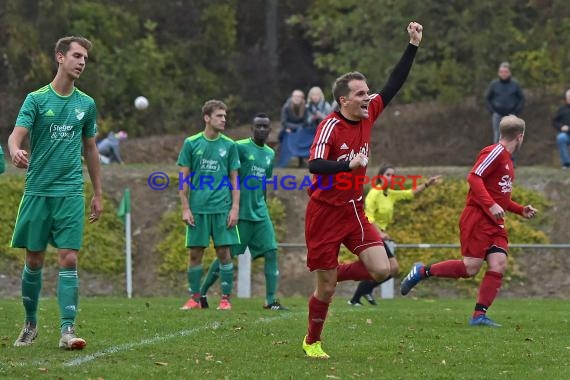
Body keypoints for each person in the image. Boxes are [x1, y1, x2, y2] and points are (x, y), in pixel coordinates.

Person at [302, 21, 423, 359]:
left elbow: (394, 83)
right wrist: (347, 165)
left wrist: (412, 45)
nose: (368, 96)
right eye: (360, 93)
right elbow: (314, 165)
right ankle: (312, 342)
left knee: (383, 269)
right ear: (343, 100)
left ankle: (332, 273)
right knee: (325, 290)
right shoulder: (330, 125)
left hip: (353, 210)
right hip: (324, 213)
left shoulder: (369, 114)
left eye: (367, 91)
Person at [8, 36, 102, 349]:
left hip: (70, 192)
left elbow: (90, 149)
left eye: (85, 59)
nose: (81, 62)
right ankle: (31, 323)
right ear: (60, 57)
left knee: (69, 258)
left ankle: (67, 330)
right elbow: (16, 136)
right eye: (76, 56)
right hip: (37, 190)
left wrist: (98, 192)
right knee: (33, 261)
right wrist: (15, 150)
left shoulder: (86, 104)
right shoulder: (36, 99)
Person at [400, 115, 538, 327]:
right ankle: (422, 271)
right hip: (478, 218)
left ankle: (478, 316)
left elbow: (500, 197)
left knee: (499, 264)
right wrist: (491, 206)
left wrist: (520, 210)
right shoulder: (495, 152)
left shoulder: (507, 161)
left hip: (495, 223)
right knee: (470, 269)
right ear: (520, 137)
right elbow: (473, 177)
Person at [198, 113, 287, 310]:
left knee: (272, 251)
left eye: (265, 127)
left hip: (260, 213)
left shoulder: (270, 154)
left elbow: (264, 183)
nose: (262, 130)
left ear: (270, 130)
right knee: (226, 255)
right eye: (258, 126)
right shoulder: (239, 147)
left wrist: (263, 204)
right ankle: (201, 293)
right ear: (252, 129)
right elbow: (227, 172)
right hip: (240, 213)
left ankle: (270, 301)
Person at [177, 100, 240, 311]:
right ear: (207, 118)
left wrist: (235, 208)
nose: (224, 120)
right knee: (195, 254)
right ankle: (194, 299)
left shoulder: (229, 145)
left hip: (222, 208)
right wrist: (185, 207)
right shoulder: (191, 143)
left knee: (224, 253)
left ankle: (225, 300)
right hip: (197, 209)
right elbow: (183, 179)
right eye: (219, 116)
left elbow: (235, 180)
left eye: (225, 116)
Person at [348, 165, 441, 306]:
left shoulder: (389, 193)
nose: (391, 178)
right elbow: (367, 216)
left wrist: (427, 184)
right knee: (390, 268)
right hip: (369, 234)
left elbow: (410, 193)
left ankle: (363, 292)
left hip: (378, 235)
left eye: (393, 175)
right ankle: (356, 297)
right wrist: (379, 232)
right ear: (380, 176)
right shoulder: (375, 193)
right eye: (388, 174)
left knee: (391, 269)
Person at [485, 62, 525, 144]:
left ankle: (510, 156)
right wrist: (492, 111)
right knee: (498, 135)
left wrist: (516, 111)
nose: (504, 74)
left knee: (512, 136)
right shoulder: (494, 84)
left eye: (506, 72)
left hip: (511, 115)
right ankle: (498, 155)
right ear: (498, 73)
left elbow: (522, 99)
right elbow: (487, 98)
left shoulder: (515, 84)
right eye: (501, 72)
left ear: (509, 73)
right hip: (497, 114)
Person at [277, 89, 309, 168]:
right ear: (292, 97)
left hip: (300, 129)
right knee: (285, 136)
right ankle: (283, 160)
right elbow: (284, 122)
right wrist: (290, 128)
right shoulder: (286, 107)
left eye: (299, 96)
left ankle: (301, 160)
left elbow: (305, 122)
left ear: (302, 98)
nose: (296, 98)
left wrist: (298, 128)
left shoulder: (305, 108)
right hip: (287, 128)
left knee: (303, 137)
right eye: (295, 96)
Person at [553, 89, 570, 169]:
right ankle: (566, 163)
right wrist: (561, 127)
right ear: (566, 98)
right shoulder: (562, 109)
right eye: (569, 97)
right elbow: (555, 121)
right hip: (566, 135)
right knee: (561, 137)